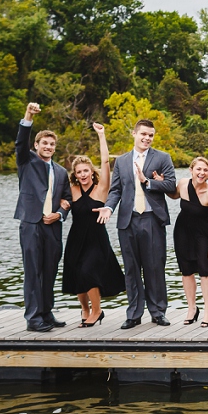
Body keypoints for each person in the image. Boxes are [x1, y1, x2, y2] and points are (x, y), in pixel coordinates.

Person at [95, 118, 177, 329]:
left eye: (151, 135)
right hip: (128, 221)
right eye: (143, 134)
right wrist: (109, 207)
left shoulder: (162, 158)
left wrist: (147, 182)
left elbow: (171, 184)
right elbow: (115, 190)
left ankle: (158, 312)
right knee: (131, 269)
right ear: (134, 134)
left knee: (155, 268)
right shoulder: (122, 161)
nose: (147, 138)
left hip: (152, 219)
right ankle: (133, 314)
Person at [14, 102, 73, 332]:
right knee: (33, 272)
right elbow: (20, 143)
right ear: (36, 145)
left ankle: (47, 313)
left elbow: (67, 200)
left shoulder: (60, 171)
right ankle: (33, 318)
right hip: (31, 224)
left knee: (49, 270)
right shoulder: (27, 161)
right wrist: (28, 115)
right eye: (44, 143)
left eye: (52, 144)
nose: (48, 147)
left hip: (52, 227)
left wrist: (59, 214)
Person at [61, 122, 124, 327]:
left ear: (91, 171)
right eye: (79, 172)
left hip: (96, 239)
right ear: (75, 174)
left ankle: (97, 311)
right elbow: (55, 196)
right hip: (76, 239)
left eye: (86, 171)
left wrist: (102, 136)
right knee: (77, 276)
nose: (83, 175)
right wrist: (61, 203)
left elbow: (105, 161)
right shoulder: (72, 190)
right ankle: (86, 310)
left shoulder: (102, 188)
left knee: (88, 272)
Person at [169, 156, 208, 328]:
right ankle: (191, 308)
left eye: (205, 170)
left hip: (203, 234)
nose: (202, 173)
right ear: (191, 170)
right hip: (182, 232)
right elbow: (173, 195)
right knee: (186, 271)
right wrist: (160, 183)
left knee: (205, 271)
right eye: (199, 169)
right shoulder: (182, 183)